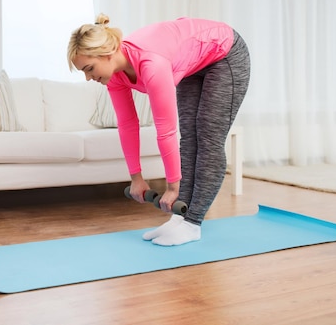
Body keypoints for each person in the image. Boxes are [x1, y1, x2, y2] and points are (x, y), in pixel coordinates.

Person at [67, 13, 251, 246]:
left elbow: (166, 130)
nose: (87, 77)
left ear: (108, 53)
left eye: (89, 68)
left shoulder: (151, 63)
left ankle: (192, 224)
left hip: (225, 54)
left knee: (207, 137)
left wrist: (173, 187)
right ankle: (180, 218)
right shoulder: (114, 76)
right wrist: (136, 178)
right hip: (194, 64)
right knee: (190, 138)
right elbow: (127, 125)